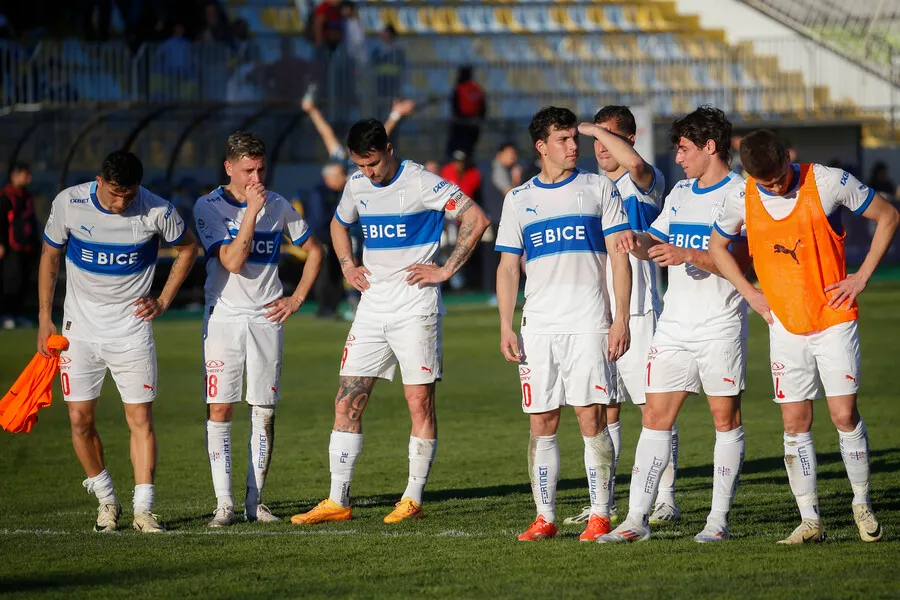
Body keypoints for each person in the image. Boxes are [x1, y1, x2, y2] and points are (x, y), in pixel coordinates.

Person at [290, 118, 490, 525]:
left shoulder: (420, 182)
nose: (368, 173)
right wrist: (347, 264)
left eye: (373, 163)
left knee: (419, 403)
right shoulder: (356, 185)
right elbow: (337, 224)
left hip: (416, 308)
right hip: (372, 307)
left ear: (389, 149)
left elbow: (476, 218)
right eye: (361, 165)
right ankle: (337, 500)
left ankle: (412, 498)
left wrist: (445, 270)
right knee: (345, 400)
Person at [709, 130, 899, 544]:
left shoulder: (828, 181)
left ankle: (861, 503)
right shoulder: (742, 197)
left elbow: (888, 216)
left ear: (788, 157)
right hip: (785, 327)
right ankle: (810, 520)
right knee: (795, 423)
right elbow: (718, 245)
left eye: (778, 177)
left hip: (834, 319)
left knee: (844, 416)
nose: (775, 187)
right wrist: (752, 295)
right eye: (765, 182)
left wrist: (861, 277)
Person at [598, 106, 749, 544]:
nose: (678, 158)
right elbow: (657, 240)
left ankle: (717, 521)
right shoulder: (681, 192)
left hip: (720, 324)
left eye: (684, 149)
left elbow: (745, 264)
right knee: (655, 419)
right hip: (675, 327)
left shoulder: (742, 194)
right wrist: (636, 240)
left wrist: (691, 256)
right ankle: (635, 520)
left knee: (726, 419)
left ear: (710, 147)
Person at [37, 151, 198, 533]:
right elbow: (49, 256)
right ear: (99, 180)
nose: (121, 202)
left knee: (140, 419)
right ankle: (107, 501)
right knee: (79, 420)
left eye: (129, 194)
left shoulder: (157, 211)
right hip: (79, 331)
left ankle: (144, 510)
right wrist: (45, 318)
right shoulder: (69, 203)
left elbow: (188, 248)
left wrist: (163, 299)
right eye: (114, 193)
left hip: (131, 332)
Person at [495, 106, 634, 542]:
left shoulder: (597, 188)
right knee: (541, 421)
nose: (574, 147)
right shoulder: (518, 199)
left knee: (590, 417)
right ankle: (545, 516)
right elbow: (507, 267)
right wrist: (505, 324)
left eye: (575, 138)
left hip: (590, 322)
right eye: (563, 139)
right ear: (541, 146)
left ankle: (600, 513)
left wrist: (621, 318)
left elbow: (619, 256)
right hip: (538, 327)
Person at [193, 131, 322, 527]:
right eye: (248, 170)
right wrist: (250, 211)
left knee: (264, 412)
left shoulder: (280, 205)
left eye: (261, 169)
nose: (256, 178)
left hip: (267, 319)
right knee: (221, 408)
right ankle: (224, 504)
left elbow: (314, 250)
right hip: (225, 317)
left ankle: (256, 501)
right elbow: (232, 261)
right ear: (229, 167)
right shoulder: (208, 206)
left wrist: (296, 299)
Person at [571, 106, 671, 526]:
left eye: (608, 136)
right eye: (594, 138)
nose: (599, 145)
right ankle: (603, 504)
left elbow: (634, 163)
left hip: (640, 310)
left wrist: (592, 127)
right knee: (604, 407)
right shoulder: (589, 188)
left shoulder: (644, 181)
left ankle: (665, 497)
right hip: (596, 311)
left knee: (653, 408)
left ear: (630, 139)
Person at [302, 161, 347, 318]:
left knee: (335, 273)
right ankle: (324, 308)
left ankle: (333, 307)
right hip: (323, 240)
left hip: (334, 240)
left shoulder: (338, 194)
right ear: (330, 177)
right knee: (324, 273)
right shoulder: (319, 193)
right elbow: (318, 221)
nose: (345, 179)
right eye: (341, 175)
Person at [0, 163, 39, 329]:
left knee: (24, 281)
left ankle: (17, 314)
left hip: (27, 246)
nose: (28, 178)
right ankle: (6, 314)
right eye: (25, 174)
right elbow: (2, 221)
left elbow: (32, 221)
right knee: (11, 281)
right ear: (15, 175)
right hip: (11, 247)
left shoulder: (28, 196)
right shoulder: (6, 196)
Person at [447, 65, 486, 158]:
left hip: (461, 123)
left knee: (457, 150)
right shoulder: (477, 89)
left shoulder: (459, 88)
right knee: (469, 150)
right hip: (474, 124)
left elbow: (455, 106)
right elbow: (483, 107)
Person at [371, 25, 405, 117]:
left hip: (393, 86)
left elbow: (402, 67)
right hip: (380, 85)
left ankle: (392, 128)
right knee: (380, 109)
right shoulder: (378, 50)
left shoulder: (398, 51)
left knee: (394, 110)